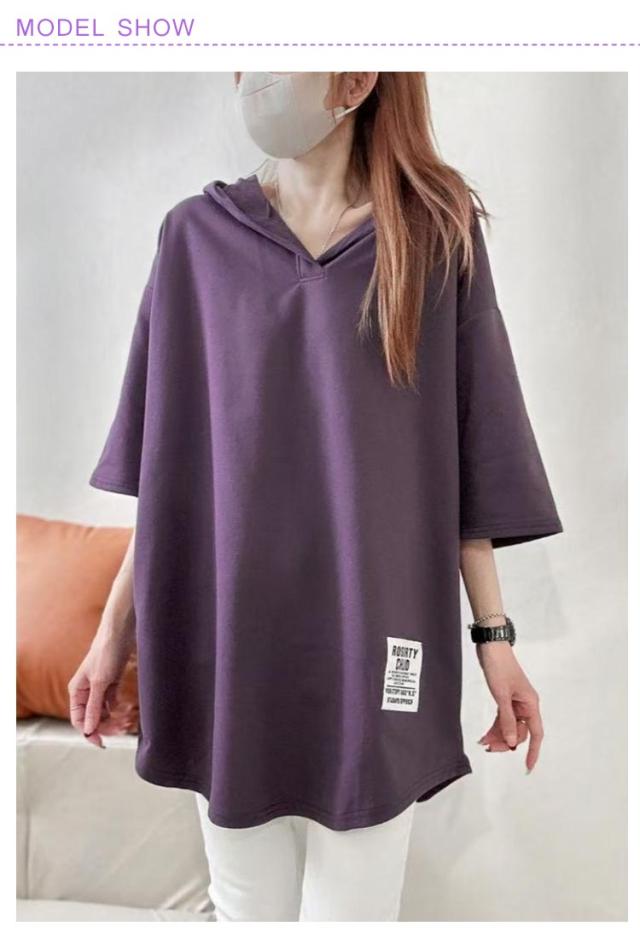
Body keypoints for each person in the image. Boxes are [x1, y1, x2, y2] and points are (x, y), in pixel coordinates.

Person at [69, 72, 563, 922]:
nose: (249, 75)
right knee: (245, 910)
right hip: (228, 635)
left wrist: (495, 639)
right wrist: (113, 635)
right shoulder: (195, 239)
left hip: (380, 633)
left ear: (356, 79)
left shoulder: (434, 233)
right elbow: (172, 470)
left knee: (356, 914)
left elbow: (468, 458)